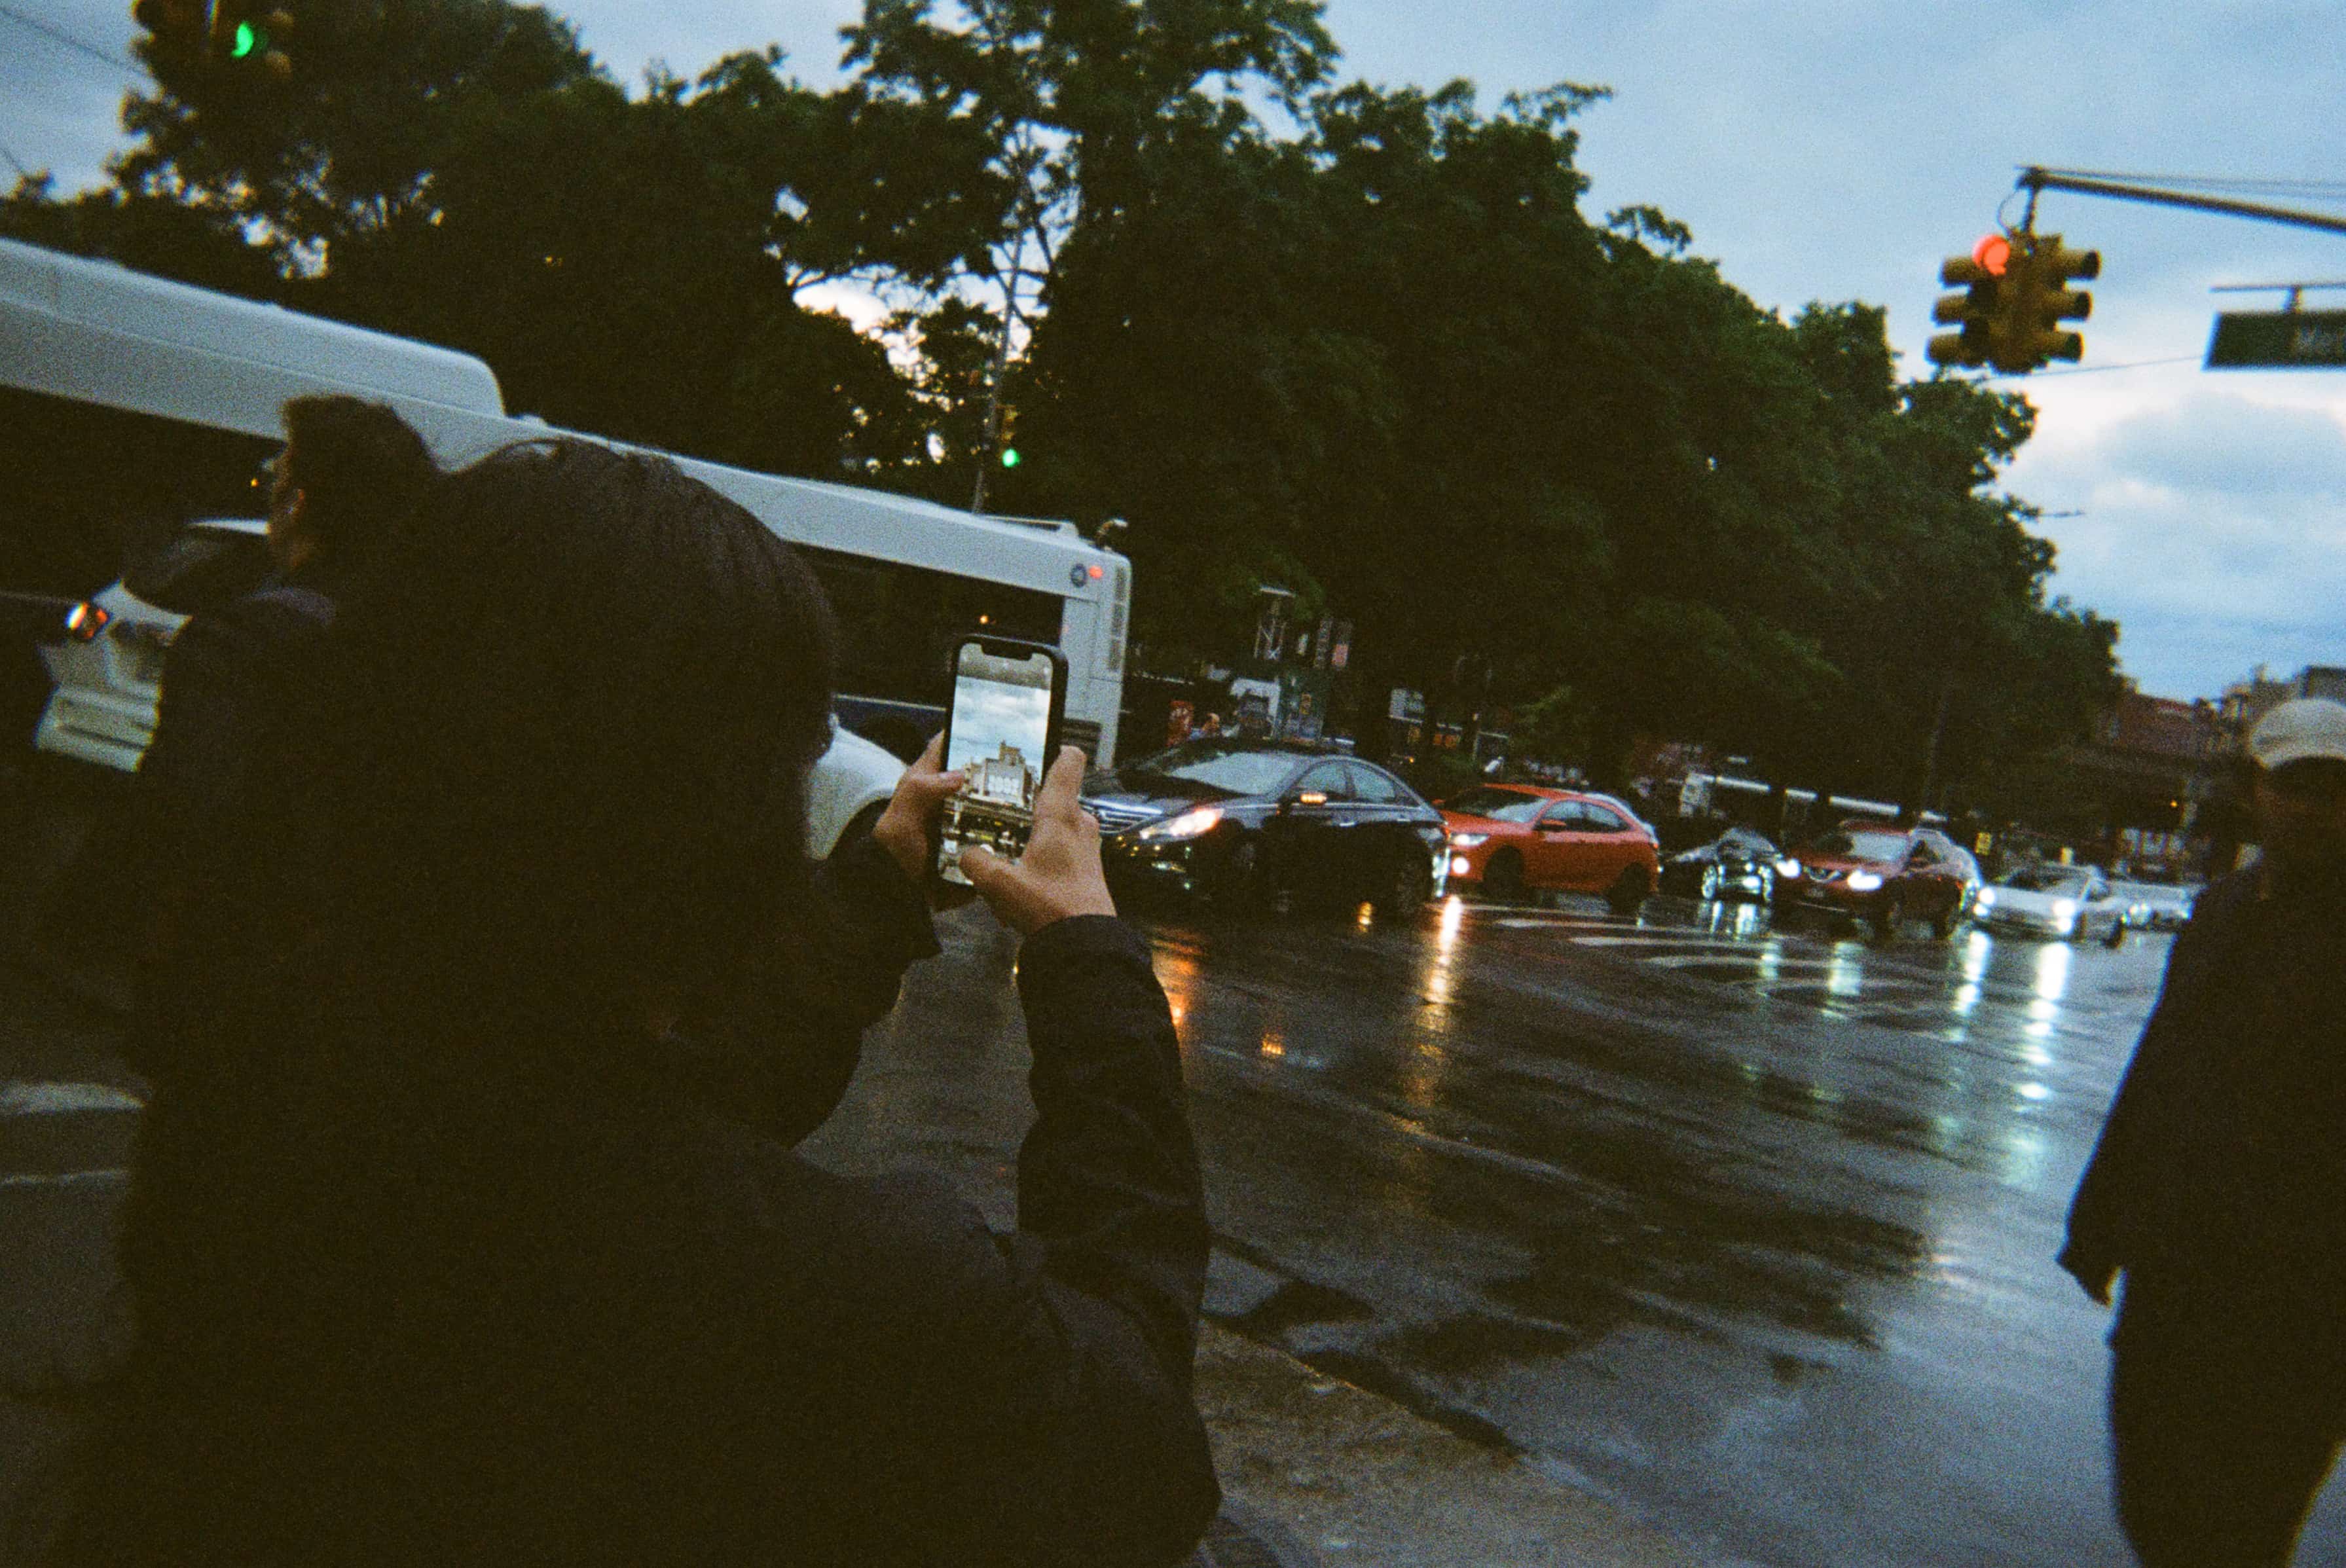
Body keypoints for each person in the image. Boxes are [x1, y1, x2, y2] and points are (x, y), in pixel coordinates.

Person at [27, 440, 1219, 1567]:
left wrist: (867, 904)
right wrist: (1088, 955)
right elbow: (1141, 1444)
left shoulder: (265, 1074)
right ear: (727, 840)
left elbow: (613, 1114)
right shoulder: (861, 1298)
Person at [2060, 694, 2346, 1567]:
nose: (2310, 808)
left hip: (2297, 1308)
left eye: (2333, 791)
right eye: (2294, 786)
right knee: (2150, 1501)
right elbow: (2159, 1072)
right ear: (2256, 789)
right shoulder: (2223, 907)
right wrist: (2097, 1222)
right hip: (2174, 1271)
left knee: (2240, 1530)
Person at [123, 395, 437, 1070]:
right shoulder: (429, 642)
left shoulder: (241, 639)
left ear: (298, 504)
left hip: (234, 972)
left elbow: (181, 810)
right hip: (371, 987)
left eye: (277, 475)